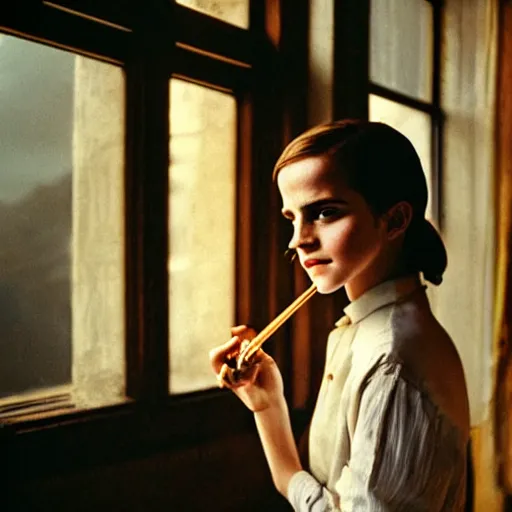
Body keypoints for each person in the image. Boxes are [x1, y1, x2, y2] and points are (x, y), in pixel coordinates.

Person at [209, 120, 470, 511]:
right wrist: (267, 404)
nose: (299, 239)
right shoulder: (365, 330)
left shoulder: (391, 360)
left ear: (395, 220)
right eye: (291, 218)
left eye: (326, 212)